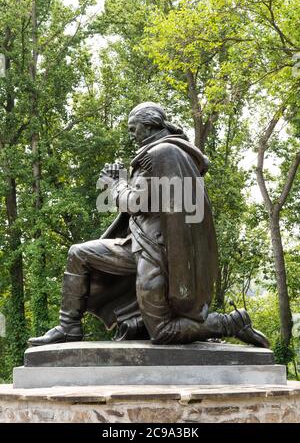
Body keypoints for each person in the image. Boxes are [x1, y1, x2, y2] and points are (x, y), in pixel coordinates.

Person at [28, 102, 269, 348]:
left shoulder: (160, 154)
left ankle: (230, 323)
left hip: (156, 252)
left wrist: (116, 183)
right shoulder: (166, 153)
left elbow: (135, 203)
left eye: (134, 129)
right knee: (78, 254)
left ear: (150, 124)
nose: (131, 135)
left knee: (163, 332)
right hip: (138, 243)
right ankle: (69, 328)